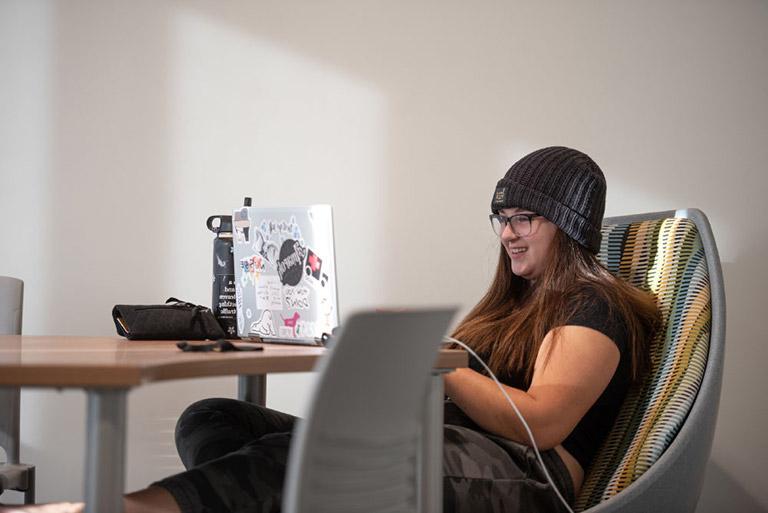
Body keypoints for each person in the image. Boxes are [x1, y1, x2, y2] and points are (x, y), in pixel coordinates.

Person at [1, 146, 659, 513]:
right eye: (502, 218)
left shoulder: (595, 306)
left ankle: (110, 512)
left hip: (523, 476)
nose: (508, 233)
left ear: (568, 225)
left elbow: (542, 422)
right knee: (214, 419)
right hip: (445, 441)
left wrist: (442, 361)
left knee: (298, 462)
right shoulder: (517, 302)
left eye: (525, 219)